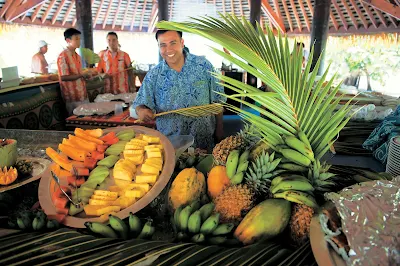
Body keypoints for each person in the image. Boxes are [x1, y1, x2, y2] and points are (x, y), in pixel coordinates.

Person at [132, 30, 226, 152]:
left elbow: (218, 102)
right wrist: (142, 111)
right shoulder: (154, 75)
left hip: (204, 143)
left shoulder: (204, 66)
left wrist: (219, 131)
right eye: (163, 45)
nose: (168, 49)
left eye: (173, 43)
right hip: (171, 146)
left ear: (182, 43)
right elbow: (140, 104)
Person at [57, 28, 92, 115]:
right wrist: (81, 75)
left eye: (79, 39)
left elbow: (78, 74)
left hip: (82, 95)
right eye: (76, 39)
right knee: (77, 123)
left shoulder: (77, 56)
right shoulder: (63, 56)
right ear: (68, 40)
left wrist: (86, 76)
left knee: (86, 121)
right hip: (72, 97)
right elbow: (63, 77)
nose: (79, 41)